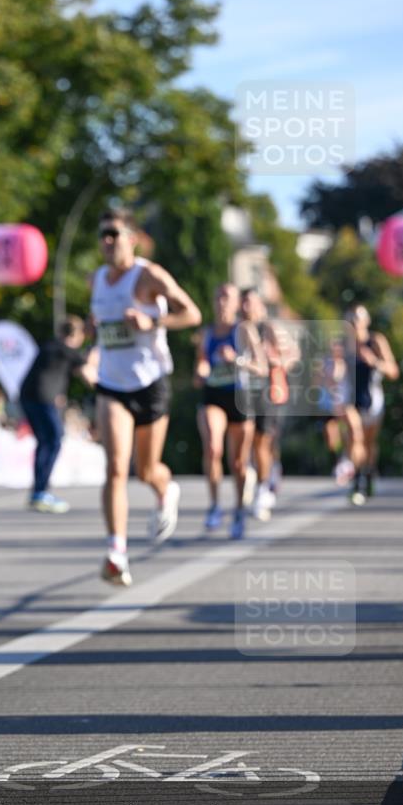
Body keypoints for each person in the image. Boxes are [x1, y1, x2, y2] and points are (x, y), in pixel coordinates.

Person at [89, 208, 201, 586]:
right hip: (111, 385)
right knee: (116, 468)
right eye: (103, 234)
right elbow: (102, 331)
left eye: (114, 234)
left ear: (131, 238)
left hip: (150, 382)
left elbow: (192, 314)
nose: (107, 241)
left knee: (146, 470)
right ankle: (116, 552)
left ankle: (166, 489)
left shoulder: (149, 275)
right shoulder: (97, 279)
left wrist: (152, 321)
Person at [194, 283, 268, 540]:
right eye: (218, 297)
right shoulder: (207, 333)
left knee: (238, 463)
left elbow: (262, 368)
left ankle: (238, 509)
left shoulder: (244, 331)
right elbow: (200, 365)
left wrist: (236, 360)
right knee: (213, 448)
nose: (221, 302)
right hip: (213, 395)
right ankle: (214, 505)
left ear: (237, 304)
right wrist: (201, 371)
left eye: (227, 298)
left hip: (240, 397)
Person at [19, 315, 97, 513]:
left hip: (29, 397)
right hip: (42, 399)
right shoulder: (67, 350)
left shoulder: (50, 346)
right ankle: (41, 491)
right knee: (54, 439)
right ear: (76, 334)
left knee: (45, 442)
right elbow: (89, 375)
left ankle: (39, 490)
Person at [240, 289, 295, 522]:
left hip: (268, 390)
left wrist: (276, 361)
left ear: (260, 305)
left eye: (251, 303)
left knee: (264, 441)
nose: (247, 307)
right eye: (244, 303)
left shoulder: (269, 328)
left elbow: (293, 354)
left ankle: (264, 487)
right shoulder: (238, 329)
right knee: (250, 441)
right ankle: (264, 475)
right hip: (242, 392)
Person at [349, 304, 399, 500]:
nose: (355, 322)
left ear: (366, 321)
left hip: (372, 397)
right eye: (351, 318)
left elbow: (394, 371)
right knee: (355, 437)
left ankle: (368, 473)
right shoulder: (343, 343)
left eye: (358, 318)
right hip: (350, 399)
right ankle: (357, 480)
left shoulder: (376, 341)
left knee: (369, 443)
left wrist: (375, 362)